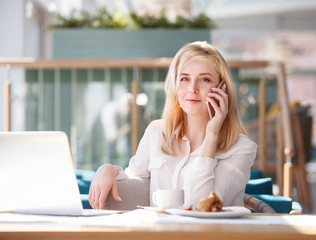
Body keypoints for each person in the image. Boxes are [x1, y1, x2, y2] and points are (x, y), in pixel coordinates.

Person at [89, 41, 257, 209]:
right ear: (176, 86)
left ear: (222, 88)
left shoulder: (242, 149)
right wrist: (109, 170)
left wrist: (211, 136)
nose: (192, 88)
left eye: (205, 79)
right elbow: (135, 181)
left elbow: (202, 208)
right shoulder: (157, 132)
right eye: (184, 78)